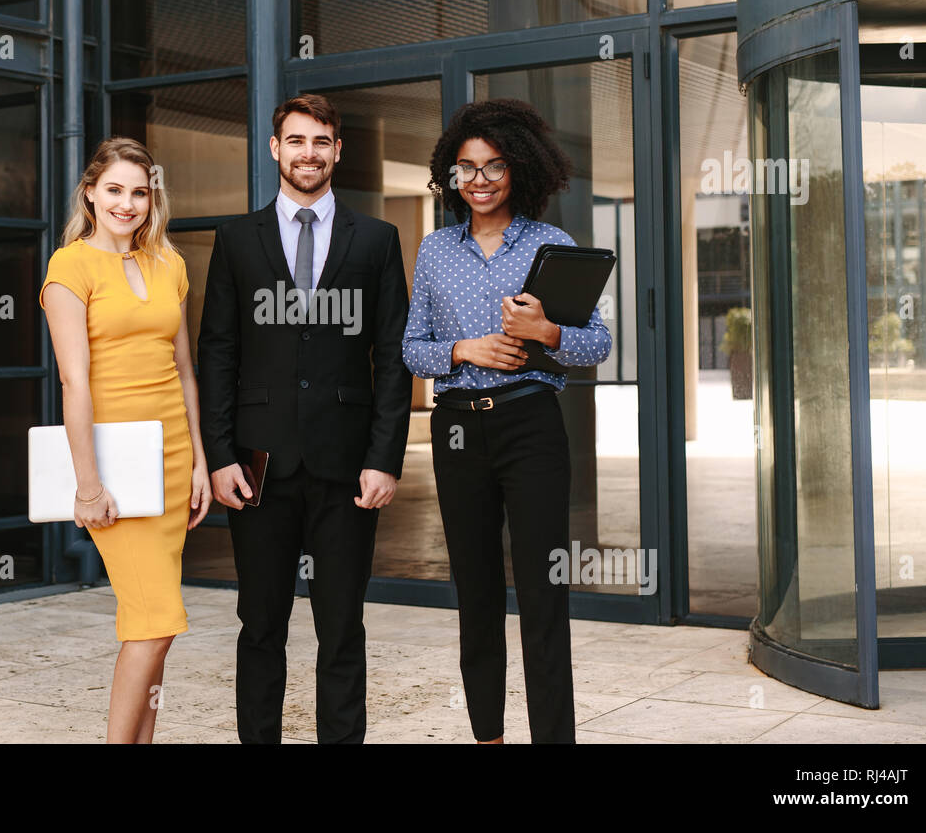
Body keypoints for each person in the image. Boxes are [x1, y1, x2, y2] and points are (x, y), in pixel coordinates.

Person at [197, 94, 411, 743]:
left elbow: (394, 358)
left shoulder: (376, 239)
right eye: (296, 141)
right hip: (258, 466)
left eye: (321, 142)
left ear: (337, 151)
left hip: (347, 468)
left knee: (342, 627)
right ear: (274, 149)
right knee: (260, 625)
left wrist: (384, 458)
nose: (308, 154)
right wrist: (220, 454)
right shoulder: (236, 240)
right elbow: (218, 353)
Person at [402, 98, 612, 744]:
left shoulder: (552, 245)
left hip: (531, 424)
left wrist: (545, 330)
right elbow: (412, 346)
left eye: (494, 166)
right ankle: (487, 737)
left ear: (520, 169)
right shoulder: (436, 250)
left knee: (544, 597)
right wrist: (463, 350)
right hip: (459, 429)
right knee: (477, 594)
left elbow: (595, 345)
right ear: (450, 176)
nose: (481, 179)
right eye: (466, 168)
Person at [39, 136, 212, 744]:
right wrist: (87, 485)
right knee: (154, 622)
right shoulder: (70, 266)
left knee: (152, 626)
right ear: (90, 193)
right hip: (113, 464)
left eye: (139, 191)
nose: (128, 203)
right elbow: (72, 382)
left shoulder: (171, 264)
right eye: (114, 190)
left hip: (170, 458)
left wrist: (198, 462)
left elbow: (185, 369)